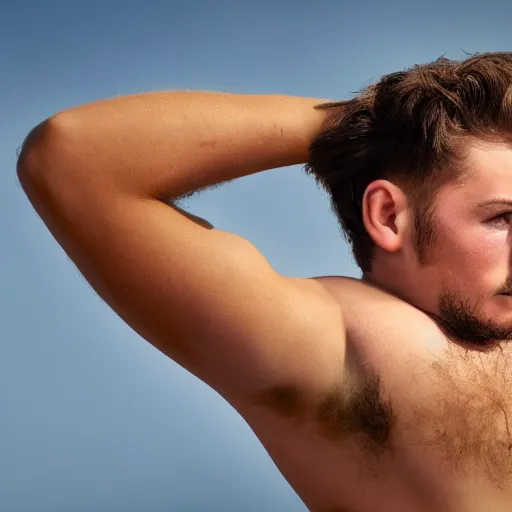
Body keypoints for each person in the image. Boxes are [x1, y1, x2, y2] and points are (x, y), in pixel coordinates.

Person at [16, 51, 512, 511]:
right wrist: (364, 125)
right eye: (502, 219)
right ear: (387, 216)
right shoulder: (344, 343)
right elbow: (72, 159)